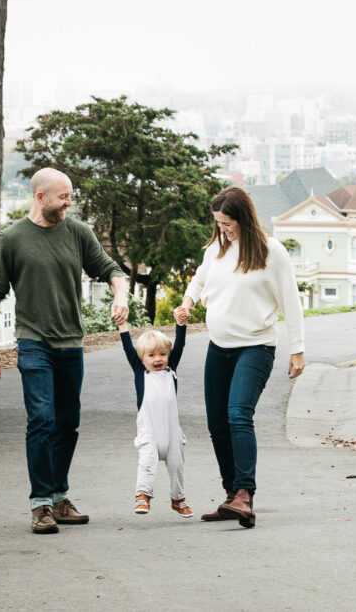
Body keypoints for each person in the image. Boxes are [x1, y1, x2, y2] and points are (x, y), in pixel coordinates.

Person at [0, 167, 128, 535]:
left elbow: (110, 269)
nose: (69, 203)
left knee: (67, 423)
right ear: (40, 197)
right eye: (63, 197)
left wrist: (120, 295)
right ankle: (41, 504)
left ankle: (60, 498)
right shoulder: (11, 239)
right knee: (42, 420)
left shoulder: (77, 232)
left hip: (71, 344)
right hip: (34, 344)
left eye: (70, 196)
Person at [180, 186, 305, 528]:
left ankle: (245, 495)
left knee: (238, 414)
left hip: (256, 347)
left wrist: (298, 349)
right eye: (219, 223)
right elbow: (199, 280)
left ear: (244, 218)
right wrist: (188, 303)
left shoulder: (270, 251)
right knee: (217, 423)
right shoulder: (216, 249)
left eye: (227, 223)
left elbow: (291, 302)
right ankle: (231, 494)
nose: (223, 229)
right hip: (218, 347)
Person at [115, 311, 193, 519]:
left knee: (177, 465)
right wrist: (122, 326)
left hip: (171, 431)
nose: (158, 359)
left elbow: (180, 345)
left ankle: (178, 499)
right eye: (151, 355)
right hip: (149, 430)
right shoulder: (141, 372)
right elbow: (127, 348)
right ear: (141, 359)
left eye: (162, 354)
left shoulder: (171, 370)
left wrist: (180, 324)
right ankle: (143, 495)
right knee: (147, 462)